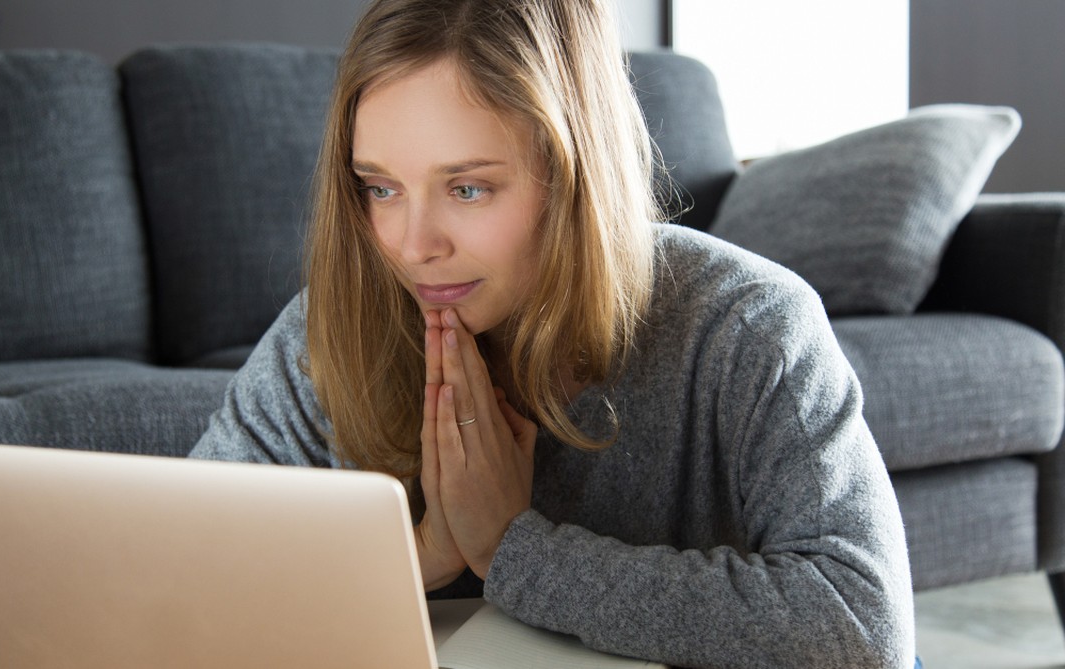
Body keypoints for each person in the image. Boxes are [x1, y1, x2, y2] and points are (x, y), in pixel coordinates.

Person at [189, 0, 916, 666]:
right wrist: (422, 552)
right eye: (381, 187)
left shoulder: (750, 325)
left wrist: (517, 550)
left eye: (467, 188)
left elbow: (862, 626)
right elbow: (183, 586)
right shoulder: (327, 333)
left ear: (572, 175)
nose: (412, 246)